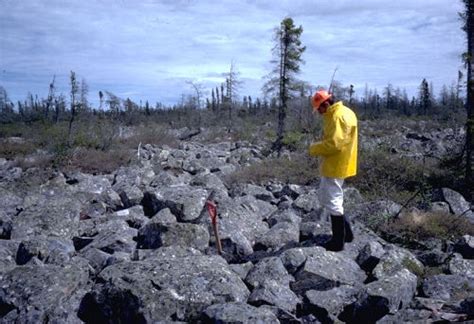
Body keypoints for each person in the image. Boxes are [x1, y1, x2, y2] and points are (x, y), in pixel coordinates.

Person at [309, 90, 358, 252]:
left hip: (336, 165)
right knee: (327, 196)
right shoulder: (345, 112)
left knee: (333, 200)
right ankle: (347, 234)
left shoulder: (338, 117)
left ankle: (338, 242)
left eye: (320, 109)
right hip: (338, 163)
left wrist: (314, 148)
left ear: (326, 104)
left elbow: (334, 144)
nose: (320, 113)